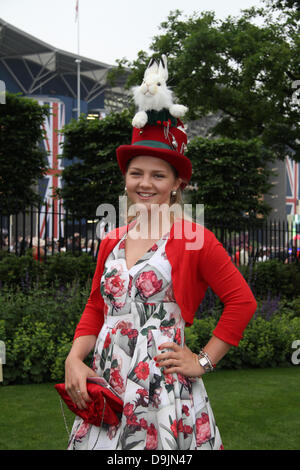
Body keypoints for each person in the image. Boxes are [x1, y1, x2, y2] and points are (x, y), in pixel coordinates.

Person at [64, 57, 257, 450]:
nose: (145, 183)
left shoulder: (193, 238)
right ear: (125, 178)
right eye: (136, 173)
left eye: (158, 175)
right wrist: (74, 358)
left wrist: (202, 361)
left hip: (162, 387)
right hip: (109, 382)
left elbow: (242, 302)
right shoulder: (110, 240)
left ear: (176, 183)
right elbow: (96, 307)